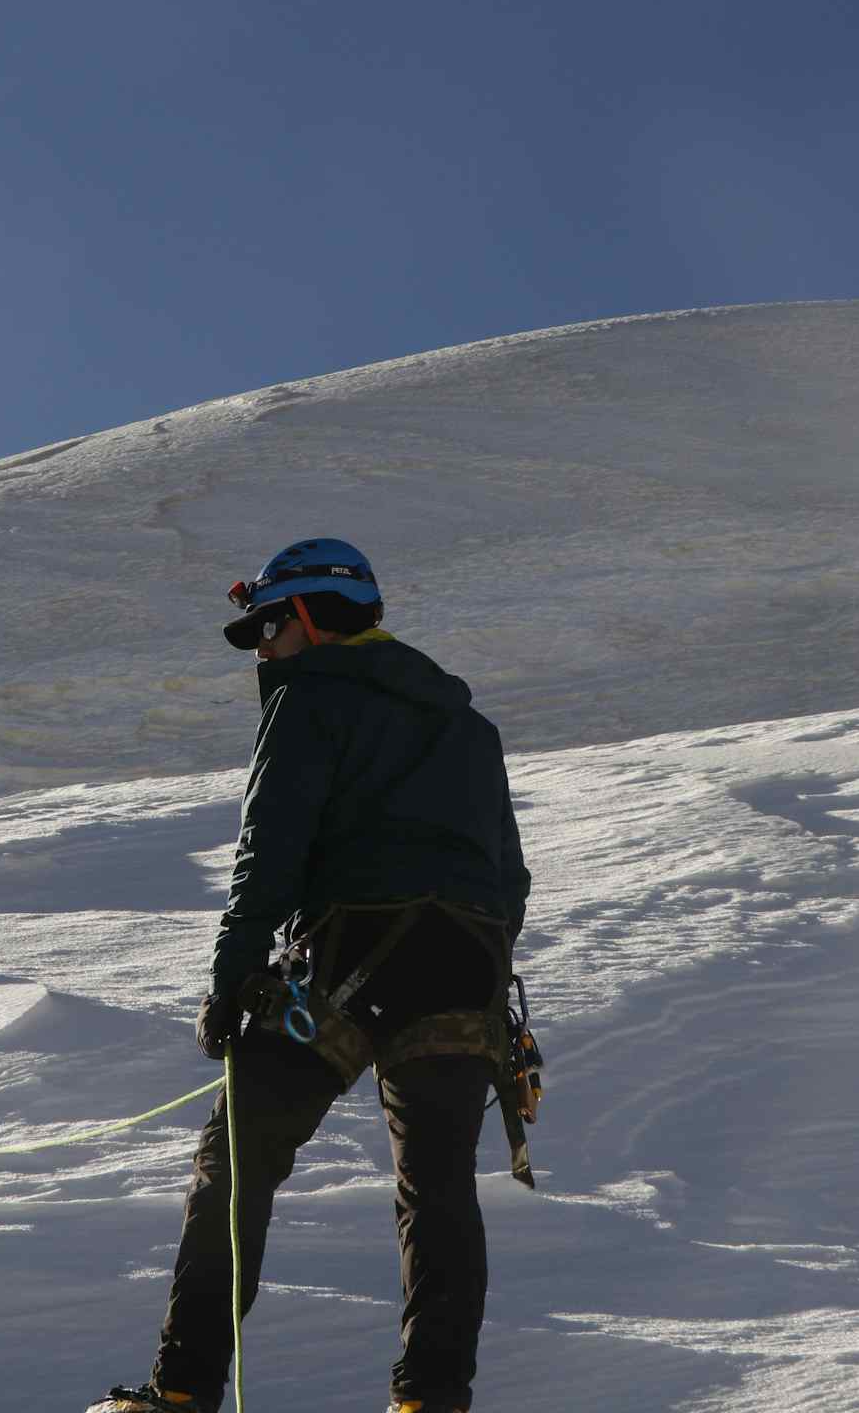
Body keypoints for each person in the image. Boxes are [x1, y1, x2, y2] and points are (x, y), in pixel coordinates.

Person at [90, 539, 530, 1413]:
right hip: (466, 968)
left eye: (263, 626)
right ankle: (431, 1401)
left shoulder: (312, 698)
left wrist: (230, 977)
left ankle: (181, 1394)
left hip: (348, 958)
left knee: (236, 1164)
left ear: (304, 618)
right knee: (436, 1188)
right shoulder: (468, 726)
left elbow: (271, 849)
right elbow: (508, 874)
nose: (259, 648)